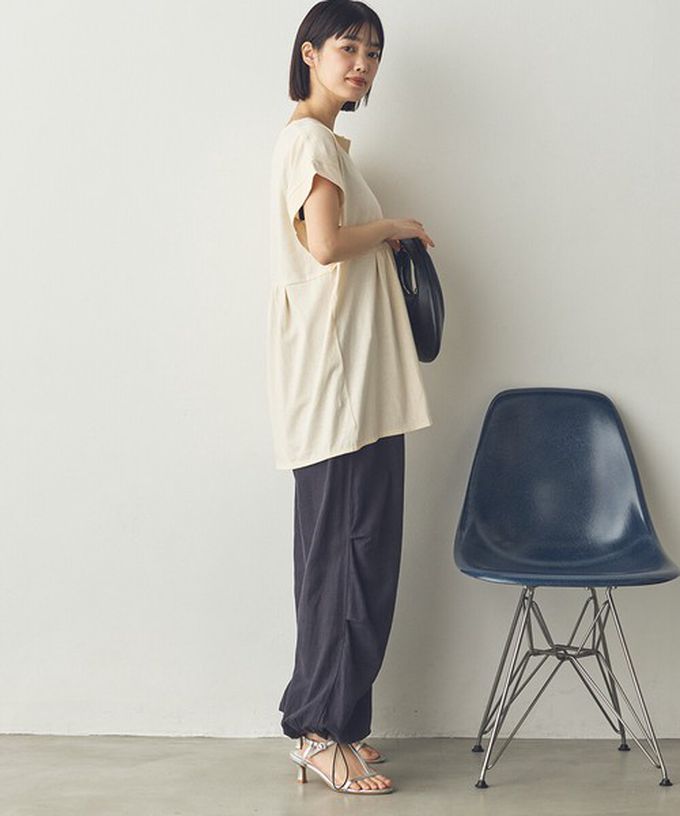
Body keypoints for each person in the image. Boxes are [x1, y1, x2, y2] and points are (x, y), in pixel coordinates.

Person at [267, 0, 435, 795]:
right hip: (336, 390)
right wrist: (394, 226)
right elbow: (326, 244)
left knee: (360, 557)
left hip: (357, 387)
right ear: (309, 53)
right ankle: (317, 731)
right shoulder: (308, 141)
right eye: (348, 48)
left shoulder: (328, 144)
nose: (362, 64)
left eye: (373, 52)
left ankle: (340, 724)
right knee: (343, 560)